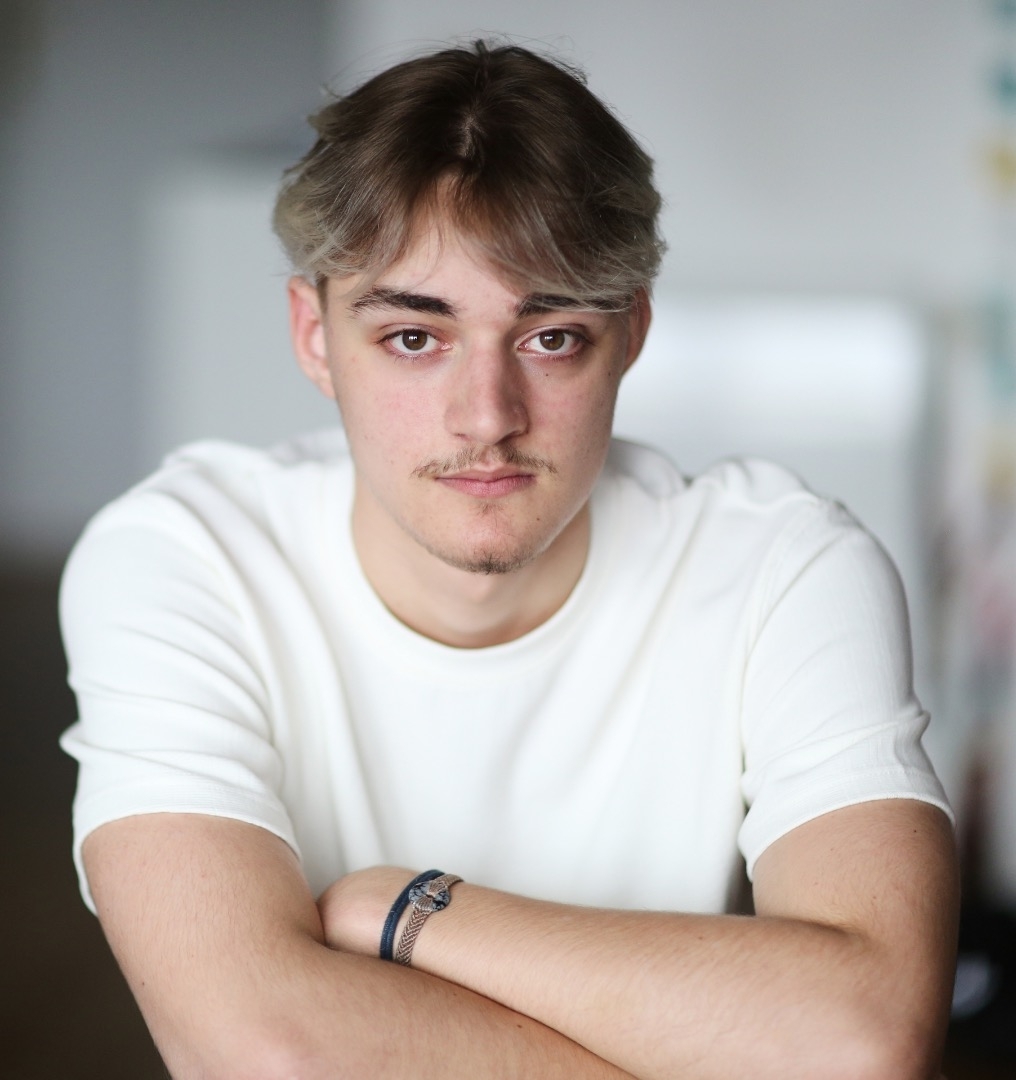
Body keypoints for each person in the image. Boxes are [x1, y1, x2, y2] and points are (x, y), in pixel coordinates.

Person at [60, 39, 958, 1079]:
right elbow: (270, 1050)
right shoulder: (184, 559)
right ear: (313, 336)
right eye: (414, 338)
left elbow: (862, 1040)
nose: (486, 417)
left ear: (630, 335)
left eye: (550, 337)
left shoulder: (784, 568)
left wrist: (406, 912)